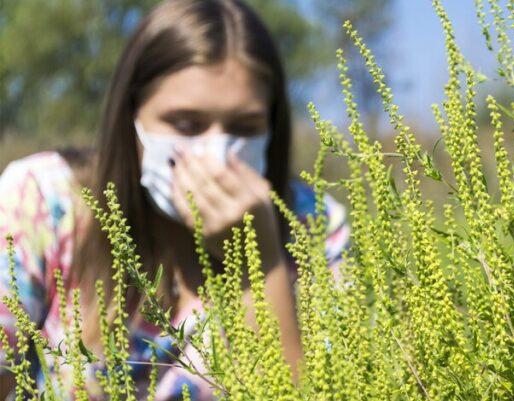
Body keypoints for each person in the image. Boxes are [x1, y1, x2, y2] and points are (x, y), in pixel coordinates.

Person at [0, 0, 350, 399]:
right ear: (131, 114)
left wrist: (261, 262)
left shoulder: (313, 227)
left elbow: (311, 389)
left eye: (244, 126)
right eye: (186, 124)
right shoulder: (44, 200)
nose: (216, 152)